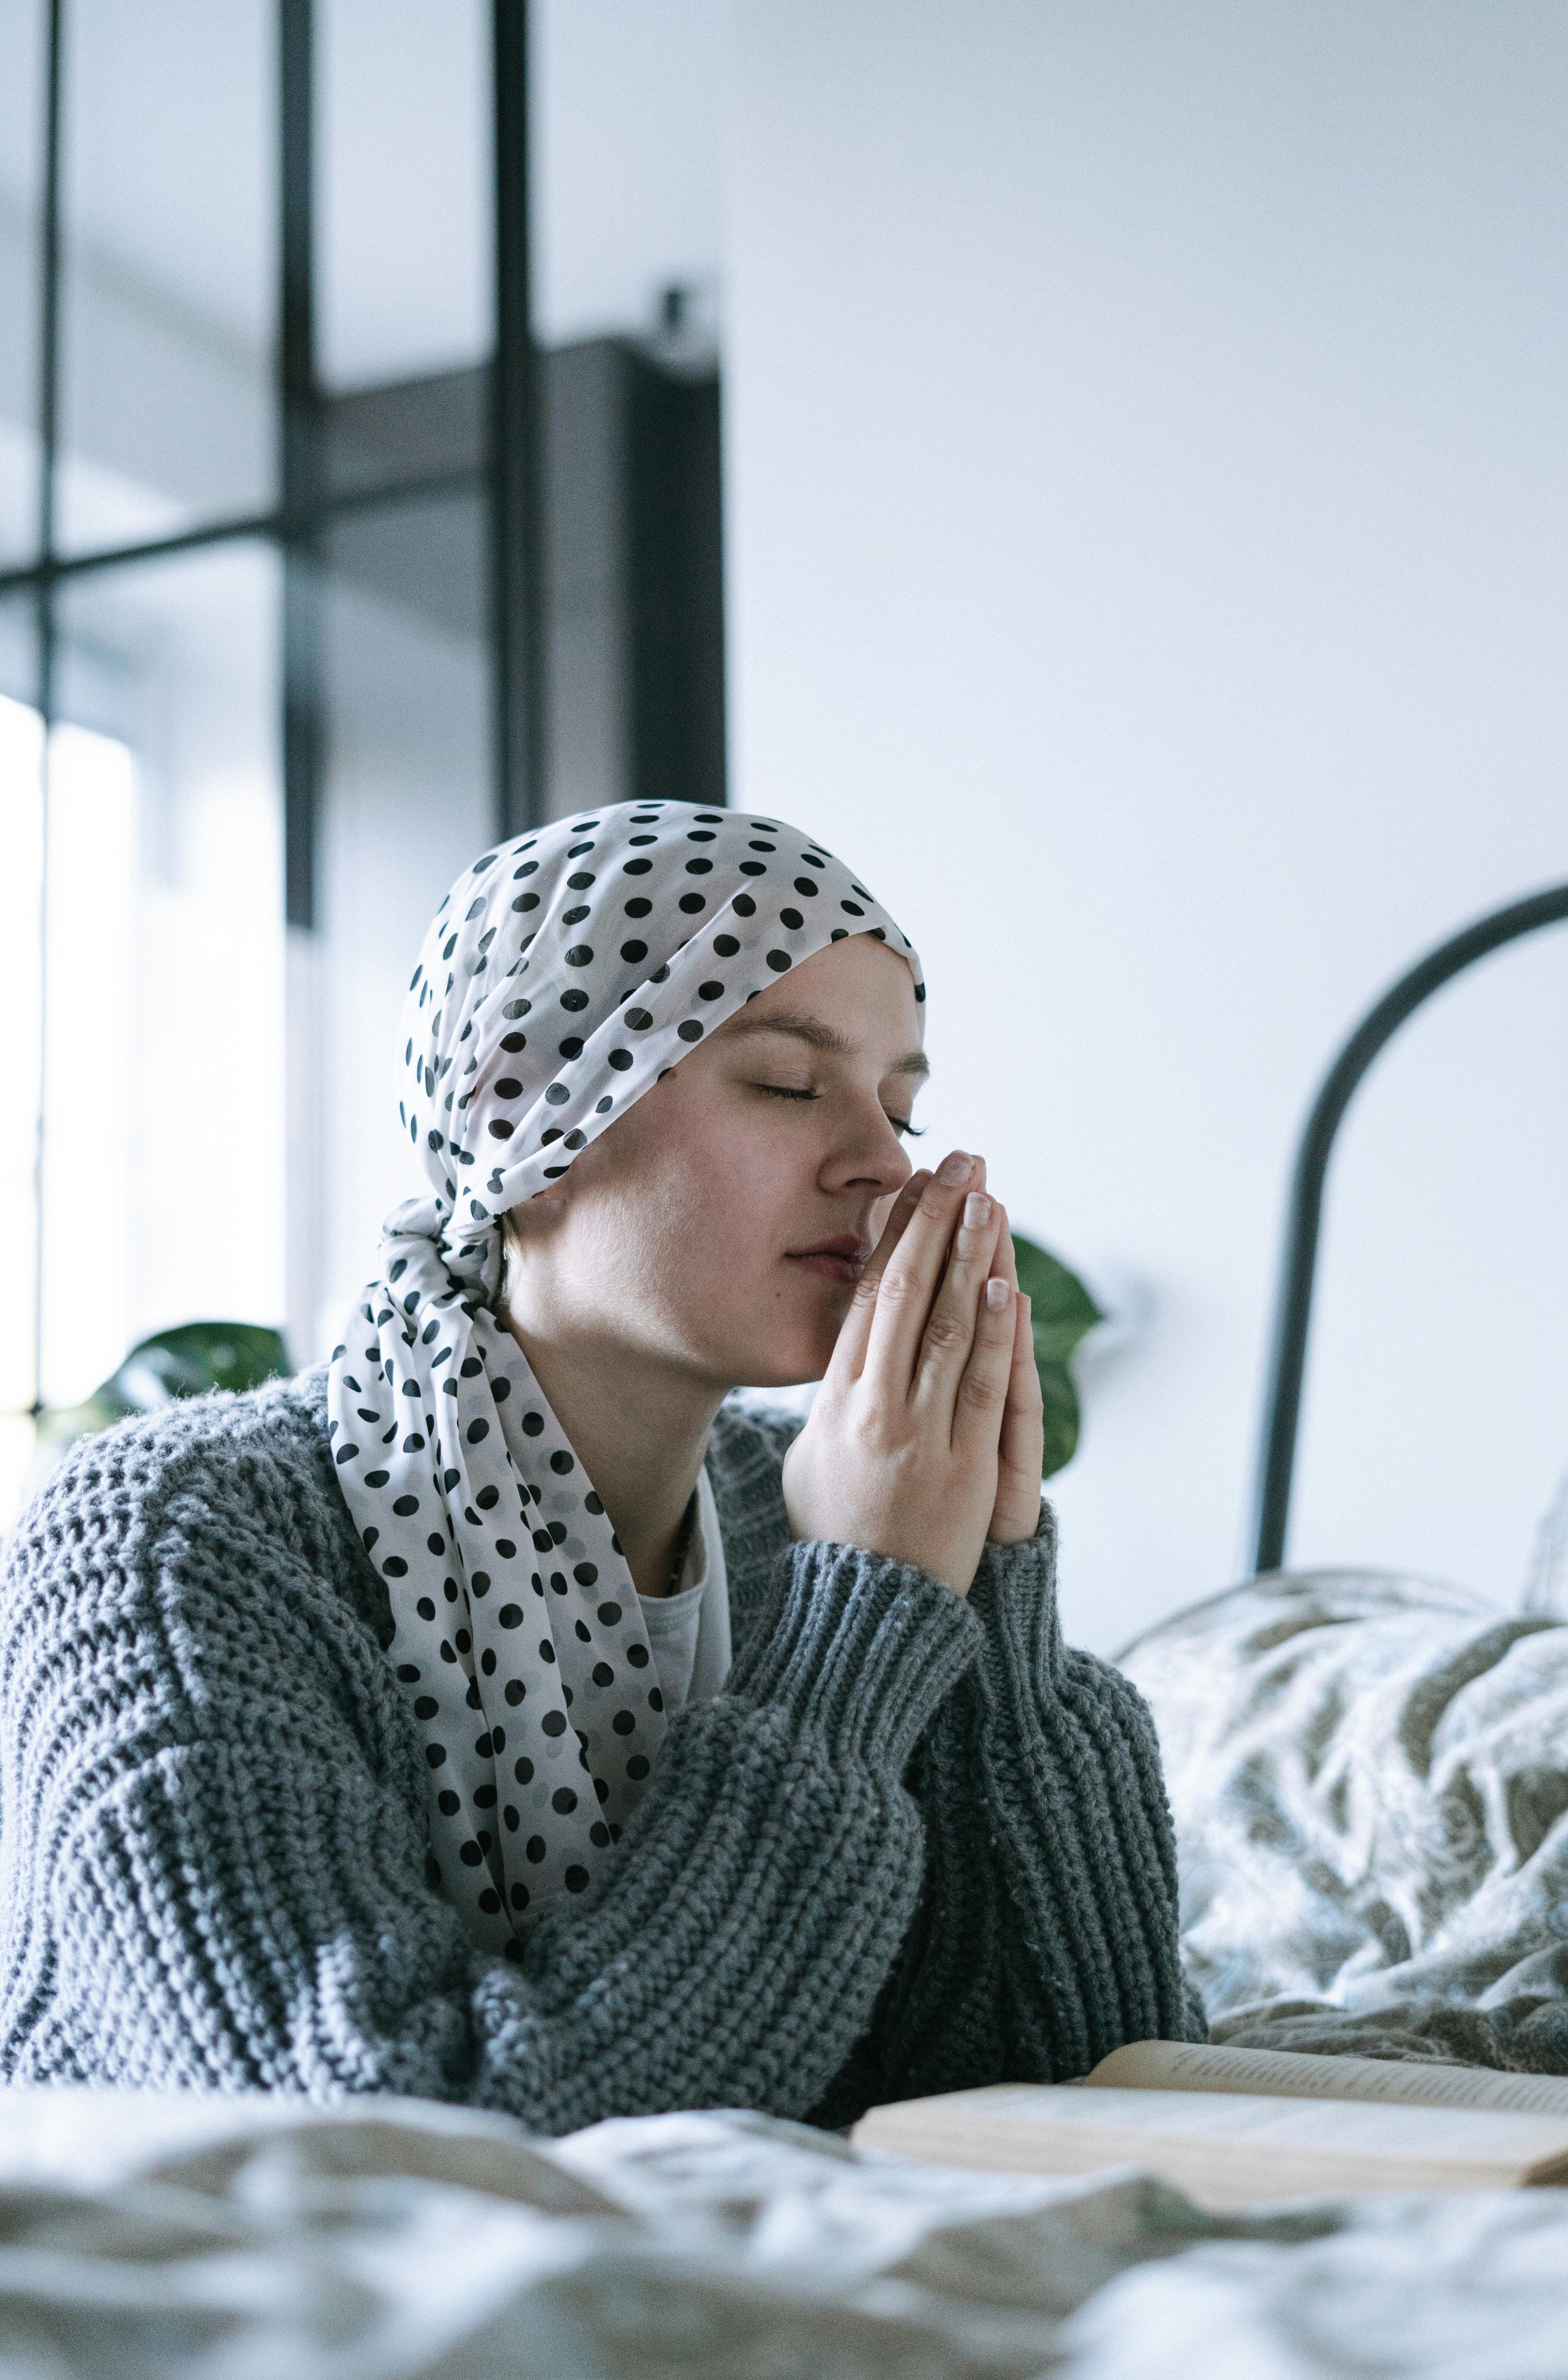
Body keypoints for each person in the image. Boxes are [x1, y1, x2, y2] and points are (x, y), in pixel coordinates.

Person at [0, 799, 1200, 2122]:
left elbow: (1083, 2076)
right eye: (789, 1084)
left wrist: (990, 1604)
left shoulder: (809, 1507)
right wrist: (855, 1633)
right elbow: (398, 2133)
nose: (878, 1165)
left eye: (903, 1110)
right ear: (520, 1111)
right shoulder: (182, 1539)